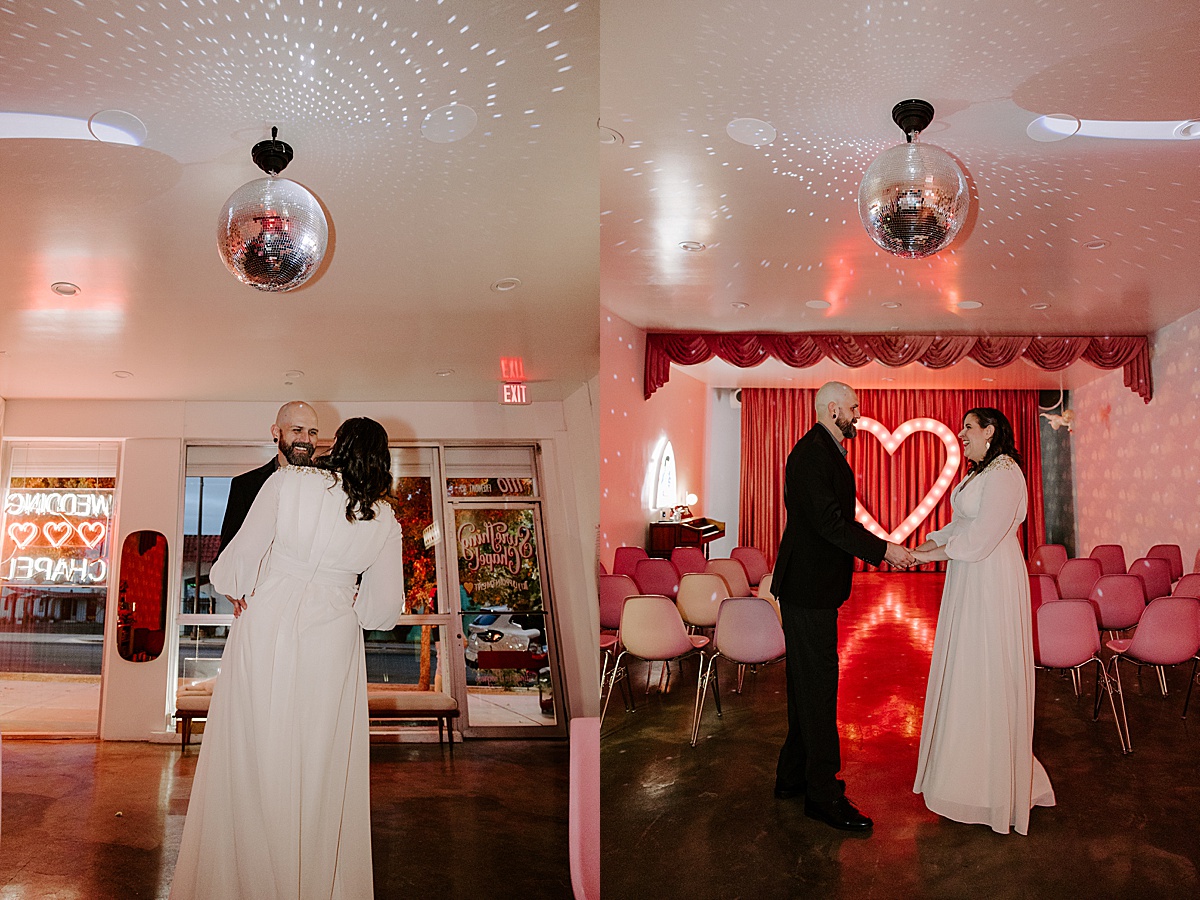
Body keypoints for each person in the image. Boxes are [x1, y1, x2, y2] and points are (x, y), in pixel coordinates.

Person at [170, 417, 405, 900]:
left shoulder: (287, 482)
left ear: (336, 446)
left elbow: (233, 569)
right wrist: (343, 597)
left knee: (255, 745)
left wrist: (246, 585)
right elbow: (381, 612)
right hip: (333, 637)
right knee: (319, 757)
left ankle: (245, 879)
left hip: (267, 621)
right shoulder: (384, 519)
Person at [772, 381, 915, 831]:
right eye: (853, 408)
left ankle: (792, 777)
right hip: (808, 590)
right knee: (817, 689)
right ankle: (823, 795)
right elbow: (833, 524)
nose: (859, 415)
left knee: (805, 686)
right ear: (832, 408)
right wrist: (884, 550)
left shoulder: (821, 449)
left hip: (808, 588)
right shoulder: (813, 453)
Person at [910, 407, 1055, 834]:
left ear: (990, 431)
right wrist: (930, 542)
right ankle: (966, 779)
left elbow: (980, 537)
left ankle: (995, 788)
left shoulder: (1007, 474)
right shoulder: (980, 472)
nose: (961, 434)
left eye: (968, 428)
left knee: (988, 671)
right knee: (968, 672)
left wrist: (922, 556)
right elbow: (960, 524)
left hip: (991, 578)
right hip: (969, 578)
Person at [218, 400, 320, 552]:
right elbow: (227, 553)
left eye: (312, 432)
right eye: (297, 430)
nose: (306, 439)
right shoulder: (245, 486)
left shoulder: (328, 485)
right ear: (276, 432)